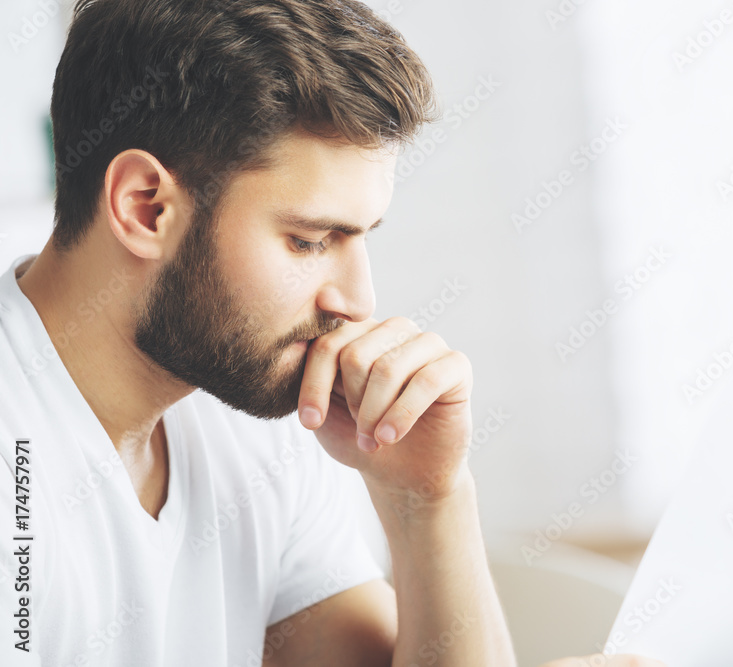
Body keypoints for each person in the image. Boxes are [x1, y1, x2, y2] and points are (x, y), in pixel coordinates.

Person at [0, 1, 667, 665]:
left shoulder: (256, 411)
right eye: (310, 240)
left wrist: (428, 498)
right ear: (145, 207)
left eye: (359, 238)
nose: (358, 301)